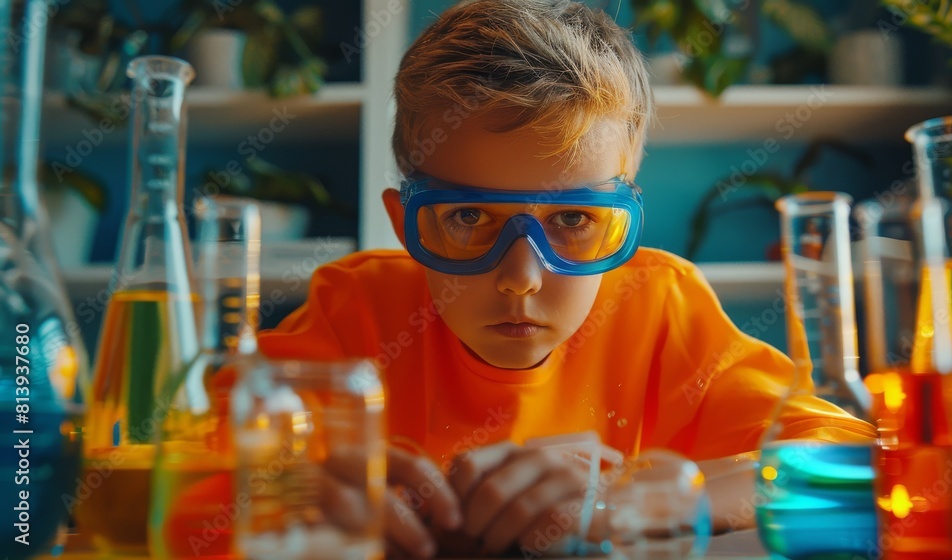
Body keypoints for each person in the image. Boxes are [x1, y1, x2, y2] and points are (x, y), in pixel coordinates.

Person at [257, 0, 876, 557]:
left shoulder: (662, 309)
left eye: (574, 219)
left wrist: (629, 502)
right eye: (469, 216)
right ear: (405, 225)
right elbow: (200, 477)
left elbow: (857, 466)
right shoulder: (352, 314)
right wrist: (303, 496)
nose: (521, 277)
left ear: (623, 226)